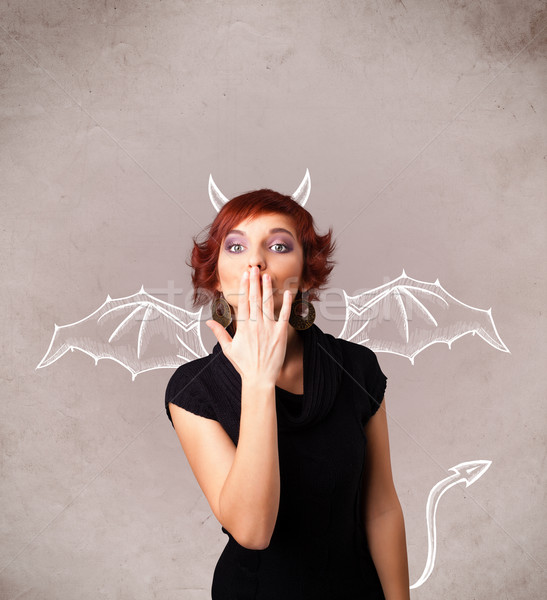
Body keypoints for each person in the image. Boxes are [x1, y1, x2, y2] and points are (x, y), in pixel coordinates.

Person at [165, 185, 410, 599]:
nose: (256, 260)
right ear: (217, 276)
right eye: (236, 247)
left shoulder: (356, 368)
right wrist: (259, 382)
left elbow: (382, 507)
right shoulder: (193, 390)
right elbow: (252, 531)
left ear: (306, 273)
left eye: (278, 245)